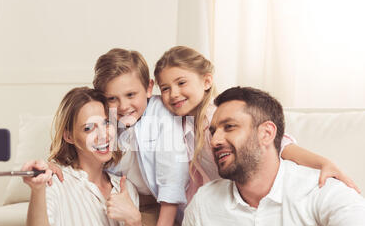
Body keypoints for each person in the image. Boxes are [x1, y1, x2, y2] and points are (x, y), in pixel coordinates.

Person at [174, 86, 365, 226]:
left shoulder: (317, 187)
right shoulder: (204, 203)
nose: (214, 141)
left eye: (229, 127)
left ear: (266, 133)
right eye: (213, 132)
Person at [153, 46, 360, 214]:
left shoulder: (217, 117)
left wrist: (324, 163)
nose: (174, 94)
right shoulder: (180, 122)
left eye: (181, 83)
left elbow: (278, 145)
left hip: (240, 202)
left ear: (206, 81)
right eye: (165, 88)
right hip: (208, 206)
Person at [23, 87, 142, 226]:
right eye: (88, 128)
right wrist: (37, 190)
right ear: (69, 137)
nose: (103, 135)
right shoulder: (56, 181)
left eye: (106, 123)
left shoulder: (126, 190)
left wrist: (134, 221)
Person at [92, 48, 189, 226]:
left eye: (130, 94)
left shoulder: (163, 118)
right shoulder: (104, 120)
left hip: (158, 206)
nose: (123, 106)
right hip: (119, 199)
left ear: (148, 88)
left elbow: (172, 180)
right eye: (112, 98)